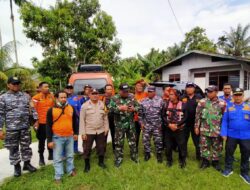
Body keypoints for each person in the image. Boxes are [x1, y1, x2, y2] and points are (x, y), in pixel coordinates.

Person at [0, 77, 37, 177]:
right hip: (12, 128)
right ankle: (17, 167)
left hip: (25, 127)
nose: (16, 85)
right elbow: (1, 114)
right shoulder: (3, 98)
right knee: (13, 148)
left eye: (17, 84)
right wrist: (0, 129)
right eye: (13, 84)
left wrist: (35, 121)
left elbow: (32, 109)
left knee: (26, 146)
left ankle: (27, 164)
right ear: (8, 85)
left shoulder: (26, 96)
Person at [46, 91, 78, 183]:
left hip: (70, 136)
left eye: (65, 97)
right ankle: (58, 176)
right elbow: (48, 126)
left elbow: (74, 121)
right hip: (57, 137)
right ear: (57, 98)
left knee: (70, 155)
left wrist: (75, 133)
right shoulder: (51, 110)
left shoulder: (71, 108)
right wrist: (49, 140)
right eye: (61, 97)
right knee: (57, 157)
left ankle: (70, 170)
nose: (64, 99)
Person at [221, 88, 250, 184]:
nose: (237, 97)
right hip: (231, 134)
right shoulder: (229, 107)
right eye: (236, 95)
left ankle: (244, 172)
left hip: (246, 135)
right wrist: (224, 133)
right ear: (233, 96)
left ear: (242, 96)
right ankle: (228, 169)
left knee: (245, 154)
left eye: (239, 95)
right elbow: (224, 121)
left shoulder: (248, 107)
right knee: (229, 152)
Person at [194, 85, 226, 171]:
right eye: (207, 91)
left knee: (217, 146)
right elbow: (197, 115)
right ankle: (205, 161)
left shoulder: (222, 103)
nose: (208, 93)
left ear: (216, 92)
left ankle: (215, 162)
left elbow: (224, 118)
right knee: (204, 146)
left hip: (217, 130)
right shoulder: (202, 102)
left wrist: (223, 131)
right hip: (204, 129)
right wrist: (196, 127)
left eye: (211, 91)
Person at [108, 83, 139, 167]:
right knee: (118, 143)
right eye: (124, 91)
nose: (126, 93)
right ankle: (118, 159)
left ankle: (134, 157)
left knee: (132, 142)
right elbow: (110, 109)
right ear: (120, 91)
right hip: (119, 125)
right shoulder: (114, 98)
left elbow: (139, 107)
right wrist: (119, 109)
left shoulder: (132, 96)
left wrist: (134, 109)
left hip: (130, 125)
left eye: (127, 91)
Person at [79, 89, 109, 172]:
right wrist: (83, 133)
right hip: (89, 131)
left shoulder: (102, 104)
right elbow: (82, 120)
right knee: (87, 148)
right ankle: (87, 165)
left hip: (101, 130)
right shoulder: (84, 106)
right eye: (93, 94)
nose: (95, 95)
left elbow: (105, 117)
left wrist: (106, 128)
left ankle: (101, 162)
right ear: (89, 95)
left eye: (96, 94)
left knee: (101, 147)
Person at [162, 88, 188, 168]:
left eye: (172, 94)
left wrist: (177, 125)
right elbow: (163, 116)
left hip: (179, 129)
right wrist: (169, 124)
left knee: (181, 145)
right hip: (168, 129)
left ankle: (182, 160)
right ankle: (169, 160)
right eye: (169, 94)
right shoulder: (166, 104)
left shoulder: (183, 104)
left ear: (177, 96)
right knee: (168, 146)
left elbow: (186, 117)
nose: (170, 96)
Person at [139, 86, 164, 163]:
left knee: (158, 140)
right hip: (147, 125)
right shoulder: (143, 101)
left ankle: (159, 154)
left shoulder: (160, 101)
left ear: (154, 92)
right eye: (148, 91)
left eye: (151, 91)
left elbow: (163, 114)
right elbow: (140, 114)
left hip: (157, 125)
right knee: (146, 140)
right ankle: (147, 154)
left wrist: (162, 124)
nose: (149, 93)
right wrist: (141, 123)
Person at [32, 82, 54, 165]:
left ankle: (51, 154)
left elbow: (54, 107)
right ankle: (41, 157)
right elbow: (33, 111)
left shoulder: (51, 96)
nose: (47, 88)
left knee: (51, 138)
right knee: (41, 140)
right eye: (45, 87)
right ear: (40, 88)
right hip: (41, 123)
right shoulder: (35, 98)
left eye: (48, 87)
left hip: (51, 122)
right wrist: (36, 122)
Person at [181, 82, 202, 160]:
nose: (189, 89)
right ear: (186, 88)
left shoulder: (199, 97)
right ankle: (184, 156)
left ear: (194, 88)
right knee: (183, 141)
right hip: (185, 123)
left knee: (197, 142)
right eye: (188, 87)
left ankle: (199, 157)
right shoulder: (182, 97)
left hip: (195, 124)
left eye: (191, 87)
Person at [64, 84, 83, 155]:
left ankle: (75, 150)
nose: (69, 89)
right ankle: (64, 153)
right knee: (65, 137)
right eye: (67, 88)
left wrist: (81, 119)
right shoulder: (63, 97)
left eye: (70, 88)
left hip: (75, 121)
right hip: (65, 121)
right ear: (65, 89)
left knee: (75, 136)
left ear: (72, 89)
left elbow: (80, 109)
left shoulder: (76, 98)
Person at [101, 84, 115, 151]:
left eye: (110, 89)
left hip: (114, 119)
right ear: (105, 90)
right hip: (105, 119)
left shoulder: (115, 98)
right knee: (104, 135)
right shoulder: (102, 98)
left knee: (114, 134)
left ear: (112, 90)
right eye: (107, 89)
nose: (109, 90)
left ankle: (115, 150)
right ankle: (103, 151)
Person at [134, 80, 148, 151]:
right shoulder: (133, 96)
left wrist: (146, 83)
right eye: (138, 86)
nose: (139, 87)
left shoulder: (146, 94)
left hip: (145, 119)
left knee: (145, 135)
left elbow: (152, 90)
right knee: (136, 135)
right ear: (135, 88)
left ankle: (147, 150)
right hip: (136, 119)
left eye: (141, 86)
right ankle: (135, 149)